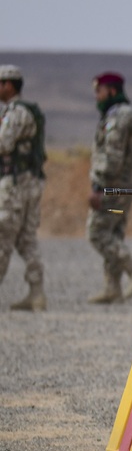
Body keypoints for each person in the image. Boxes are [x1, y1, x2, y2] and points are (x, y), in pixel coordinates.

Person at [87, 72, 132, 303]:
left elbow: (112, 158)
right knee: (114, 232)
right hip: (123, 183)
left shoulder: (119, 117)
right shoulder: (119, 114)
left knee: (97, 232)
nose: (96, 96)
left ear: (111, 91)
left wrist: (98, 186)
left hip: (114, 185)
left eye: (99, 91)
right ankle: (112, 287)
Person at [0, 65, 47, 311]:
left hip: (16, 184)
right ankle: (37, 293)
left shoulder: (15, 113)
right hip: (30, 181)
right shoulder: (27, 111)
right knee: (26, 239)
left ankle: (37, 294)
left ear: (9, 85)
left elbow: (3, 144)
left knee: (3, 235)